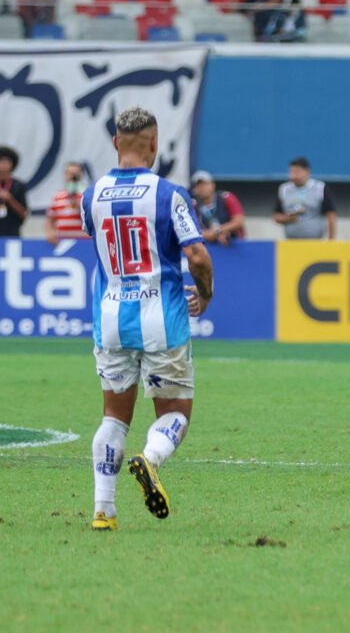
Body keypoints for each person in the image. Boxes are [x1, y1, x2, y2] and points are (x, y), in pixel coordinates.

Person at [81, 106, 214, 532]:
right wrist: (206, 293)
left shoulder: (92, 195)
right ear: (154, 144)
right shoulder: (169, 193)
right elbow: (197, 254)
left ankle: (104, 511)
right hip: (164, 320)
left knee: (113, 418)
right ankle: (151, 458)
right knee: (176, 412)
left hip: (111, 320)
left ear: (116, 142)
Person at [273, 156, 337, 239]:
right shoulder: (284, 189)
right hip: (291, 242)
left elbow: (331, 215)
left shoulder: (320, 188)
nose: (293, 176)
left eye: (297, 172)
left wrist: (331, 241)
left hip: (314, 242)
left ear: (307, 171)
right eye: (291, 172)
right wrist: (288, 218)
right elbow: (276, 215)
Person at [190, 170, 245, 245]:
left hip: (234, 244)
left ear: (213, 185)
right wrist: (209, 235)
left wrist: (218, 231)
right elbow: (191, 230)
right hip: (208, 246)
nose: (202, 188)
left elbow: (238, 221)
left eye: (205, 184)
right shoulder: (193, 205)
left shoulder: (226, 198)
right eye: (198, 185)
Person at [45, 162, 88, 244]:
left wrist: (80, 207)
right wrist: (50, 233)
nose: (73, 177)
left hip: (84, 243)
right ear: (65, 175)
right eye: (71, 174)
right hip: (61, 243)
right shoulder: (58, 196)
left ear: (81, 175)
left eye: (76, 174)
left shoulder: (87, 195)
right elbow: (50, 219)